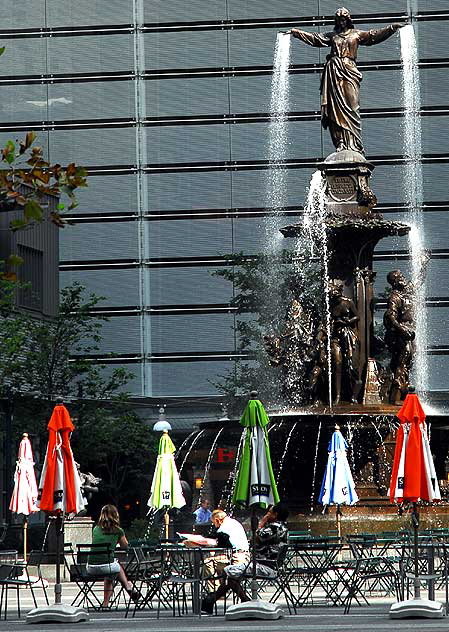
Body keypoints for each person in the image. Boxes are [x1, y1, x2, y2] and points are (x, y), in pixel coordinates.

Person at [287, 8, 404, 153]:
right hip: (334, 71)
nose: (341, 22)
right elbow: (315, 38)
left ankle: (354, 144)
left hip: (350, 71)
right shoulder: (333, 35)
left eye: (343, 19)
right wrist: (297, 33)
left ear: (348, 20)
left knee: (352, 106)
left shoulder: (357, 34)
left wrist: (391, 28)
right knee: (335, 109)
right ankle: (341, 142)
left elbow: (374, 36)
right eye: (339, 20)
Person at [201, 503, 289, 614]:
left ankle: (243, 600)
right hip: (268, 565)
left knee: (229, 571)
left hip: (266, 566)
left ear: (275, 515)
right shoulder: (283, 527)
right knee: (231, 574)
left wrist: (261, 522)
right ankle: (211, 601)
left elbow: (255, 538)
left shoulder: (274, 528)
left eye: (269, 512)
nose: (267, 514)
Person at [86, 504, 140, 609]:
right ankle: (128, 587)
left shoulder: (96, 529)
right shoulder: (118, 530)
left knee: (111, 569)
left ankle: (106, 603)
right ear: (115, 515)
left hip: (90, 567)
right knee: (114, 568)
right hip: (107, 566)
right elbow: (126, 546)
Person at [383, 270, 416, 405]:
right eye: (399, 276)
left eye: (402, 275)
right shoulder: (394, 297)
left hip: (410, 331)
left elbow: (418, 281)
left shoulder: (407, 292)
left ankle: (404, 392)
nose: (403, 277)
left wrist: (423, 264)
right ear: (395, 282)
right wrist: (402, 329)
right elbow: (391, 317)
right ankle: (395, 397)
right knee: (403, 360)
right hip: (402, 334)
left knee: (408, 361)